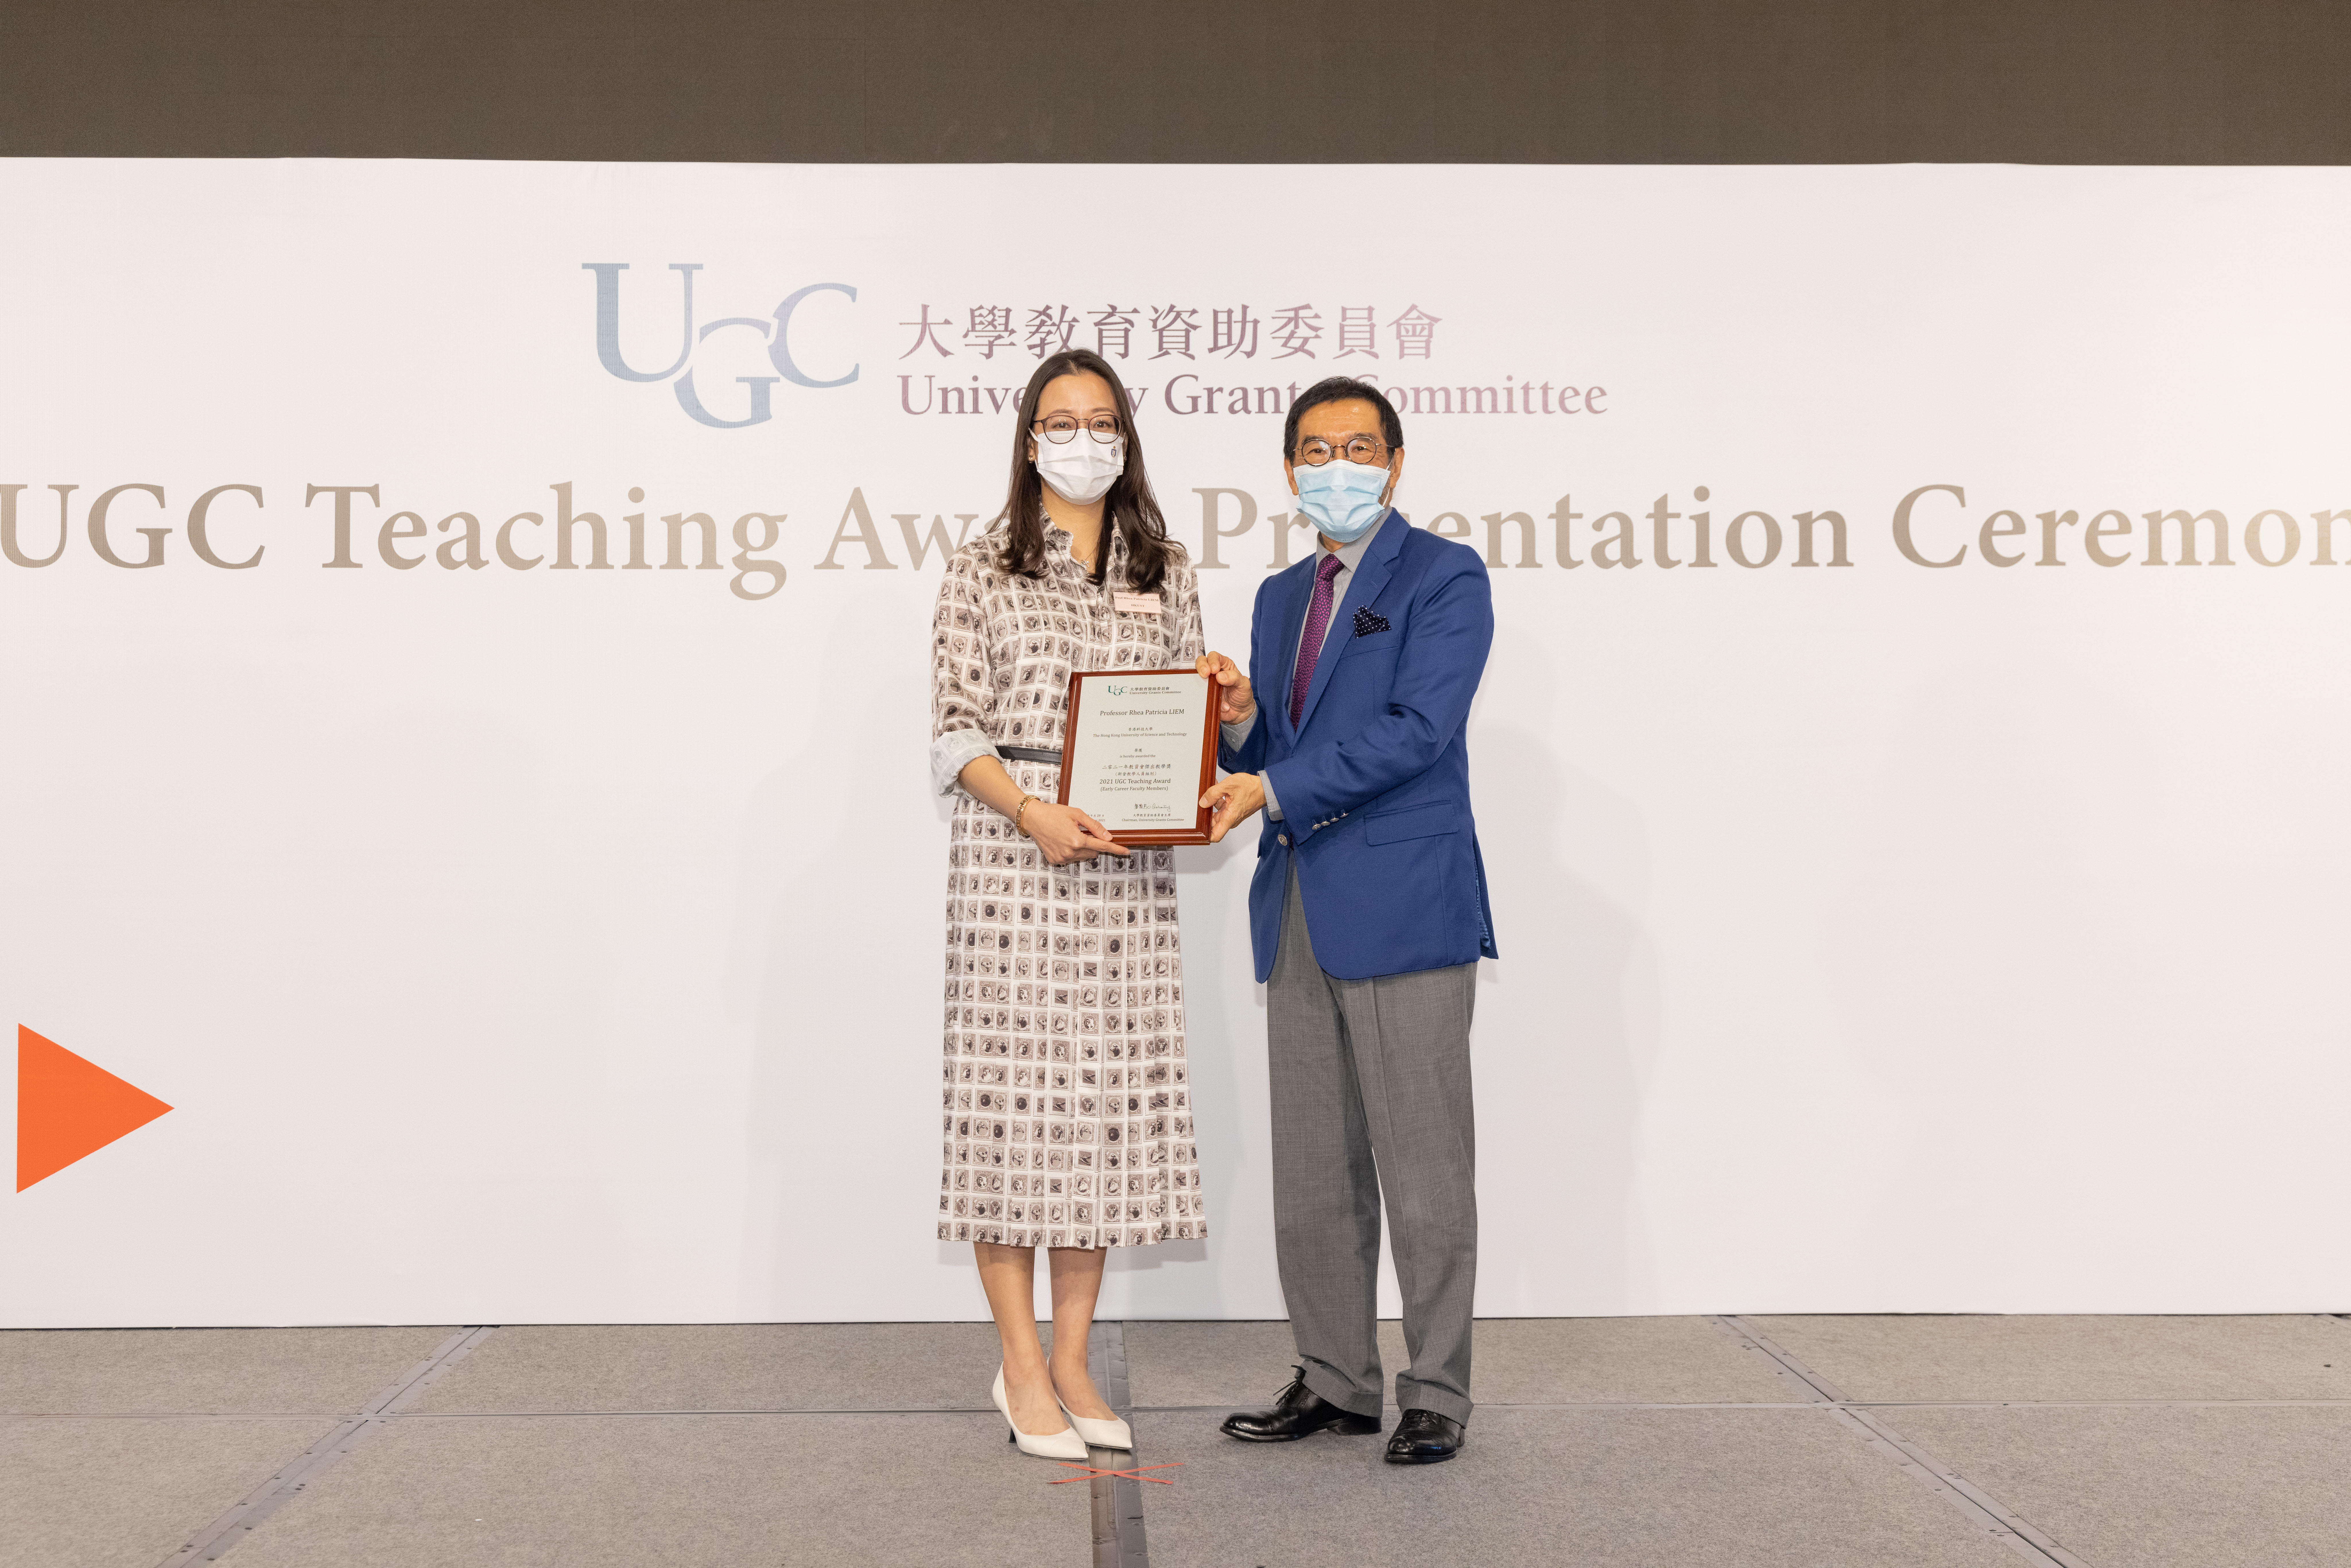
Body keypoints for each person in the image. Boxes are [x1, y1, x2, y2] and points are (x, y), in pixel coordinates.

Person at [1196, 376, 1496, 1466]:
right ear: (1288, 472)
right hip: (1299, 905)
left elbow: (1419, 730)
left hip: (1405, 904)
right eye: (1316, 449)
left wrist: (1270, 787)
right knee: (1314, 1172)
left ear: (1396, 463)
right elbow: (1276, 751)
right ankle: (1335, 1376)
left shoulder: (1445, 575)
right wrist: (1238, 726)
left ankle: (1438, 1390)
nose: (1338, 465)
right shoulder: (1281, 596)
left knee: (1423, 1172)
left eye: (1359, 447)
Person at [930, 348, 1212, 1461]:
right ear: (1028, 436)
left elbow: (1189, 709)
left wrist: (1219, 704)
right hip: (1016, 857)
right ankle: (1015, 1364)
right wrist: (1029, 808)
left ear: (1126, 437)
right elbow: (953, 724)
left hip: (1128, 867)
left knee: (1097, 1118)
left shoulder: (1165, 565)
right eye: (1062, 418)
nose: (1082, 436)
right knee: (1010, 1115)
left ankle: (1072, 1359)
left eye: (1101, 419)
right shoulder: (981, 562)